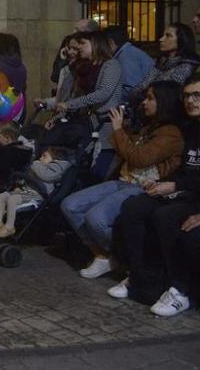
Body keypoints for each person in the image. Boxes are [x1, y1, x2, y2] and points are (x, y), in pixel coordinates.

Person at [61, 80, 185, 279]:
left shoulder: (171, 133)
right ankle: (102, 255)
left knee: (96, 218)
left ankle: (129, 258)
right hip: (122, 180)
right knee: (70, 205)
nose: (145, 102)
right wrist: (125, 128)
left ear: (164, 102)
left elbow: (139, 158)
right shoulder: (149, 127)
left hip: (142, 187)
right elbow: (128, 152)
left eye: (151, 98)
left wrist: (118, 130)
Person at [111, 73, 200, 316]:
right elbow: (184, 168)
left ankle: (179, 289)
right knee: (135, 207)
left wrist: (174, 186)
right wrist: (165, 182)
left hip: (194, 196)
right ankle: (140, 278)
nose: (191, 101)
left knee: (165, 216)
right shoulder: (190, 128)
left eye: (197, 95)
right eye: (187, 96)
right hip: (186, 189)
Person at [50, 30, 123, 178]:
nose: (80, 47)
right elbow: (78, 95)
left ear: (96, 44)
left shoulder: (111, 65)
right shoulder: (87, 68)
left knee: (100, 168)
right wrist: (59, 115)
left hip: (106, 123)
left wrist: (70, 104)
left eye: (83, 43)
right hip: (90, 123)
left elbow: (103, 93)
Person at [0, 146, 72, 238]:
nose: (40, 158)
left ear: (55, 159)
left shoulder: (55, 169)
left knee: (12, 200)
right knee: (2, 196)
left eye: (44, 156)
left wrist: (36, 163)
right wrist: (19, 185)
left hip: (38, 195)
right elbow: (27, 178)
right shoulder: (39, 168)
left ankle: (9, 227)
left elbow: (46, 176)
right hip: (26, 191)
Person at [133, 23, 200, 95]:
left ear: (181, 39)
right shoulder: (162, 62)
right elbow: (138, 88)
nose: (161, 39)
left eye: (168, 36)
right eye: (163, 35)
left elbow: (163, 94)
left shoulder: (186, 67)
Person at [104, 25, 153, 103]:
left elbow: (131, 89)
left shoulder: (126, 56)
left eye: (103, 44)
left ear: (110, 42)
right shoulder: (126, 52)